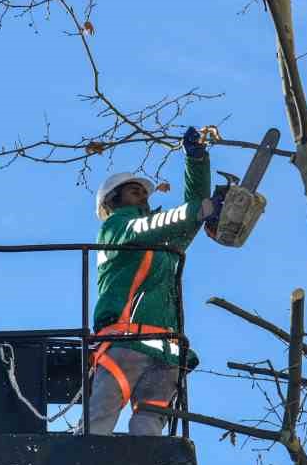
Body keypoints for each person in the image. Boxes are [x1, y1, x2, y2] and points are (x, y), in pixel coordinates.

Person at [87, 126, 215, 435]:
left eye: (144, 193)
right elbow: (156, 224)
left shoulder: (161, 242)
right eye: (135, 192)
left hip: (165, 350)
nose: (143, 197)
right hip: (125, 341)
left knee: (149, 426)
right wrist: (200, 210)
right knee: (100, 418)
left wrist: (196, 161)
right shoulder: (116, 228)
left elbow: (190, 217)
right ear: (113, 201)